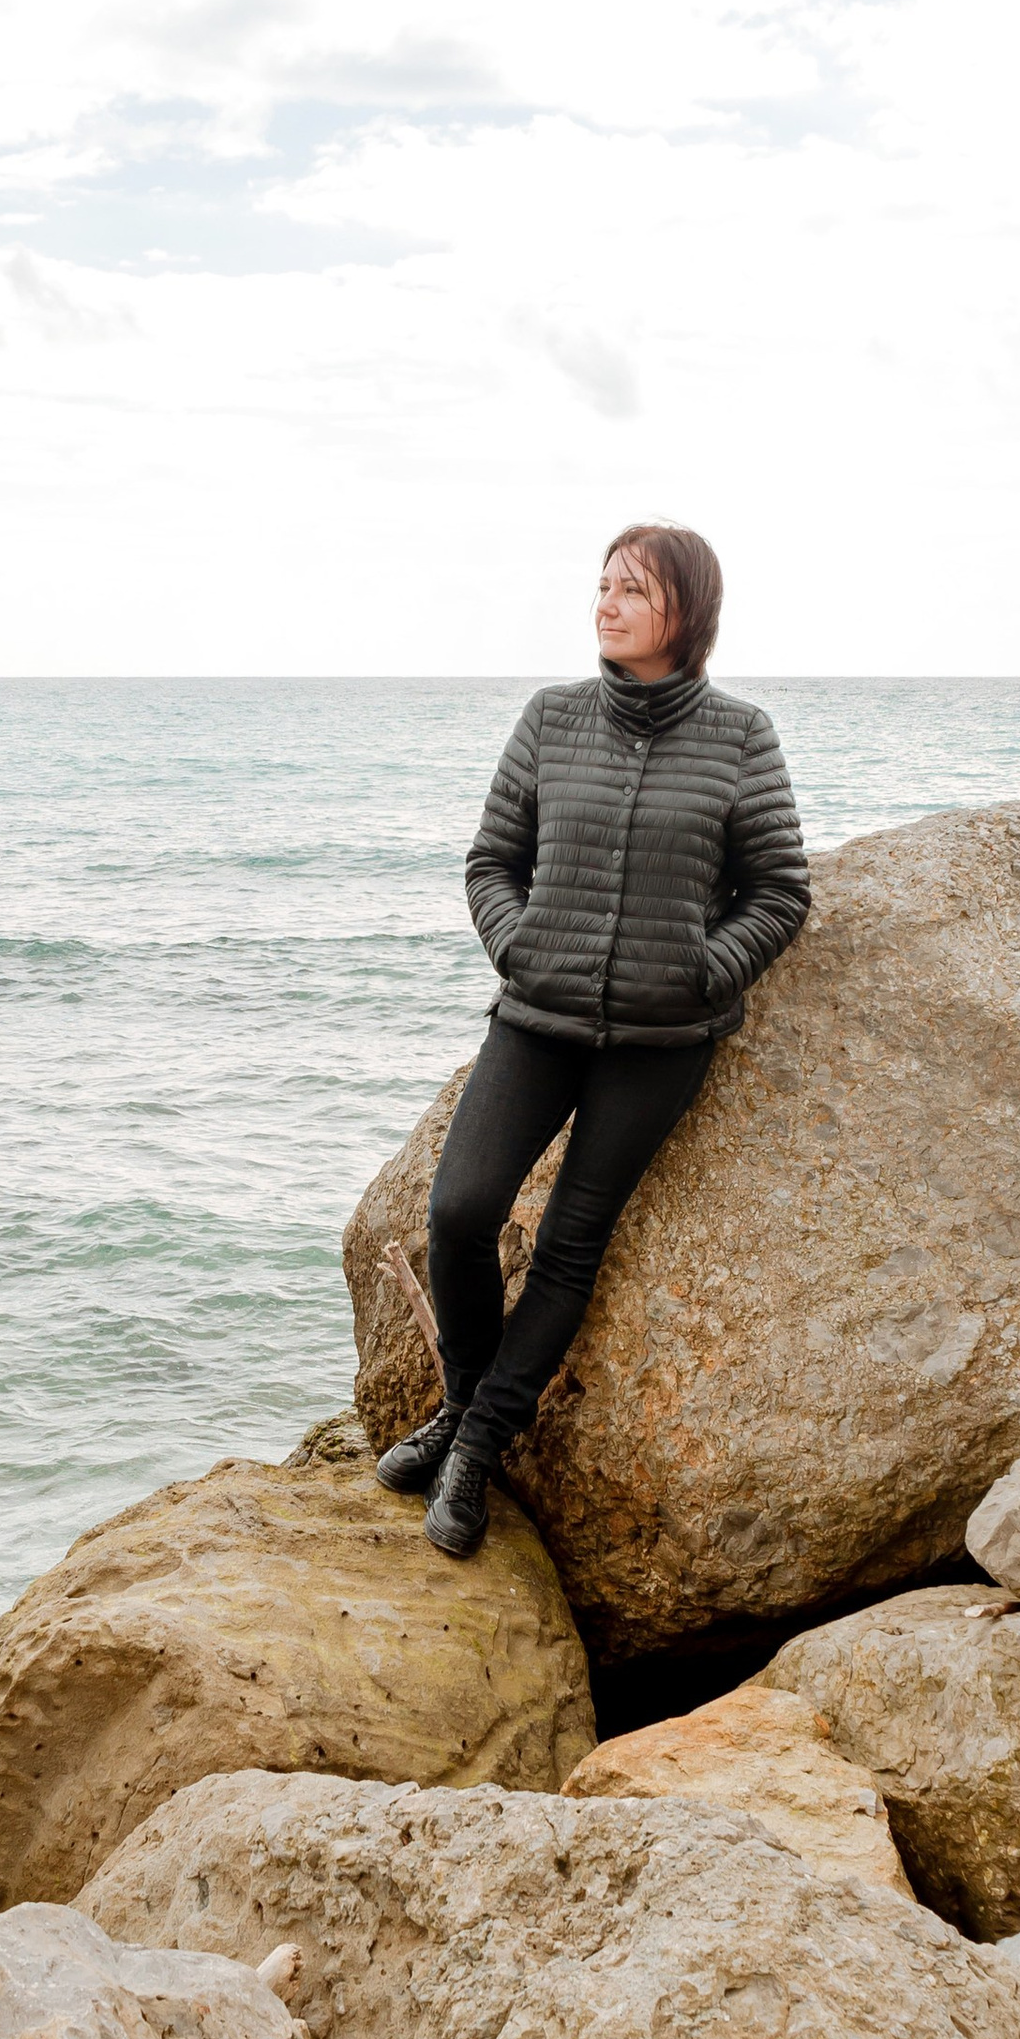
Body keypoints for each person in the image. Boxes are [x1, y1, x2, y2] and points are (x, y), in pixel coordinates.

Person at [378, 522, 811, 1556]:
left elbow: (779, 890)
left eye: (631, 589)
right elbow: (490, 860)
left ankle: (476, 1447)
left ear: (684, 614)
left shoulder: (739, 736)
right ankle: (460, 1407)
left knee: (572, 1242)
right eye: (603, 586)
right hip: (540, 1016)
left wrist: (703, 970)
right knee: (459, 1210)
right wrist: (519, 947)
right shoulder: (552, 719)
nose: (605, 603)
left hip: (662, 1042)